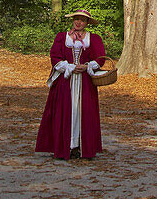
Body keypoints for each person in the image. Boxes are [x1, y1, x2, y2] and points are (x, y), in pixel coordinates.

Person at [36, 10, 106, 161]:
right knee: (65, 111)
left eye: (82, 20)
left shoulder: (93, 39)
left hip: (85, 83)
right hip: (65, 81)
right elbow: (55, 57)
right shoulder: (62, 37)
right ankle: (65, 147)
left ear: (87, 23)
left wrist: (87, 66)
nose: (78, 22)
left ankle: (81, 147)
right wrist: (69, 67)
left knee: (84, 112)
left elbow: (100, 58)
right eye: (76, 19)